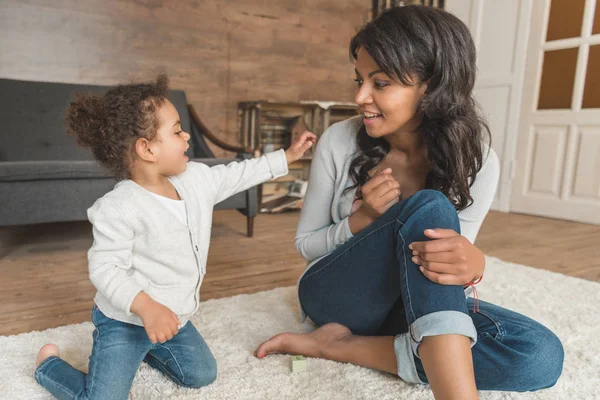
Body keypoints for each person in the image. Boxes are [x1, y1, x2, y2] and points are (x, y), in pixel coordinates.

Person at [255, 6, 563, 399]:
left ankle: (340, 346)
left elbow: (442, 273)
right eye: (359, 79)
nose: (359, 97)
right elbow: (305, 245)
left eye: (380, 83)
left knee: (537, 355)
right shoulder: (339, 141)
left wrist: (474, 264)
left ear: (432, 87)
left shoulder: (478, 160)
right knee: (431, 207)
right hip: (336, 297)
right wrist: (361, 219)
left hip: (411, 306)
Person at [33, 75, 316, 399]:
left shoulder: (195, 179)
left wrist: (287, 157)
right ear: (147, 148)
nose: (186, 139)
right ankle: (48, 367)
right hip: (124, 321)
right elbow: (105, 269)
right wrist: (146, 308)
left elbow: (237, 174)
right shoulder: (119, 207)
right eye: (178, 131)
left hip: (171, 317)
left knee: (202, 375)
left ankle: (151, 347)